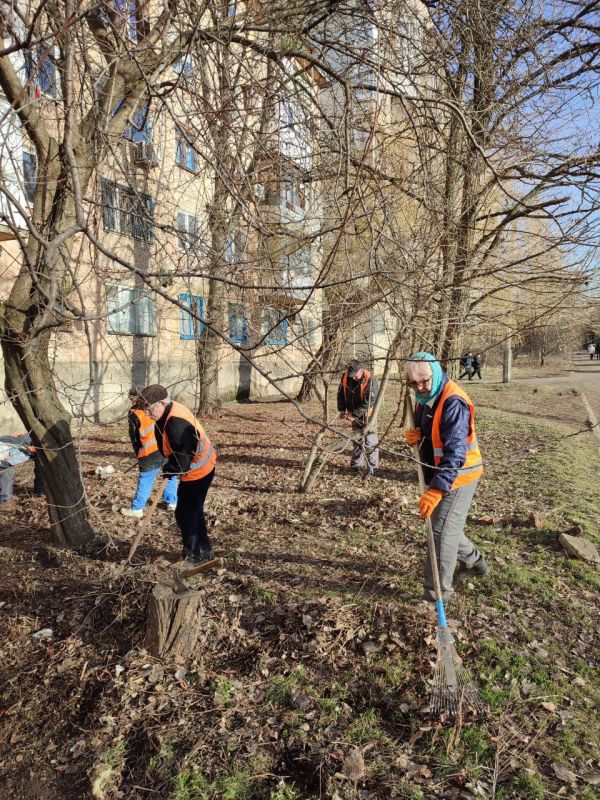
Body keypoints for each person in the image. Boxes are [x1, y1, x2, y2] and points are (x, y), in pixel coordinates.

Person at [404, 352, 487, 604]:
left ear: (437, 373)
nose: (419, 386)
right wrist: (419, 436)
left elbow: (455, 454)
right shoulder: (424, 397)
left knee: (439, 533)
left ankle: (435, 597)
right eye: (413, 383)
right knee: (447, 528)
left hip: (458, 475)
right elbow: (432, 430)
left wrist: (437, 490)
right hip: (440, 472)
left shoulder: (453, 402)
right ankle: (475, 562)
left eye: (424, 380)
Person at [140, 384, 217, 564]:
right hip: (200, 466)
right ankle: (204, 549)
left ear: (160, 403)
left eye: (149, 409)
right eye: (144, 410)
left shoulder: (176, 422)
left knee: (185, 513)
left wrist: (170, 469)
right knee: (193, 510)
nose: (147, 414)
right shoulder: (169, 410)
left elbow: (182, 459)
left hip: (198, 470)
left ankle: (192, 555)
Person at [120, 387, 179, 518]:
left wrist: (139, 455)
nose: (131, 401)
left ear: (136, 398)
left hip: (148, 453)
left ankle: (137, 509)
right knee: (170, 475)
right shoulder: (158, 406)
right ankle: (172, 502)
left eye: (131, 398)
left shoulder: (134, 413)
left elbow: (134, 438)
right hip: (165, 448)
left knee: (146, 480)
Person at [337, 359, 380, 476]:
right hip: (353, 413)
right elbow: (340, 394)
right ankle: (356, 465)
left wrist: (354, 414)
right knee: (357, 440)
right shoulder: (346, 377)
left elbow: (369, 402)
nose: (353, 378)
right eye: (351, 376)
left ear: (361, 370)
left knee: (370, 441)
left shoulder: (371, 380)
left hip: (368, 415)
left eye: (355, 376)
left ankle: (373, 467)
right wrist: (342, 409)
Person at [0, 433, 44, 504]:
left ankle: (40, 493)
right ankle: (4, 497)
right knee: (5, 470)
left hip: (21, 447)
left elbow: (18, 437)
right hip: (14, 451)